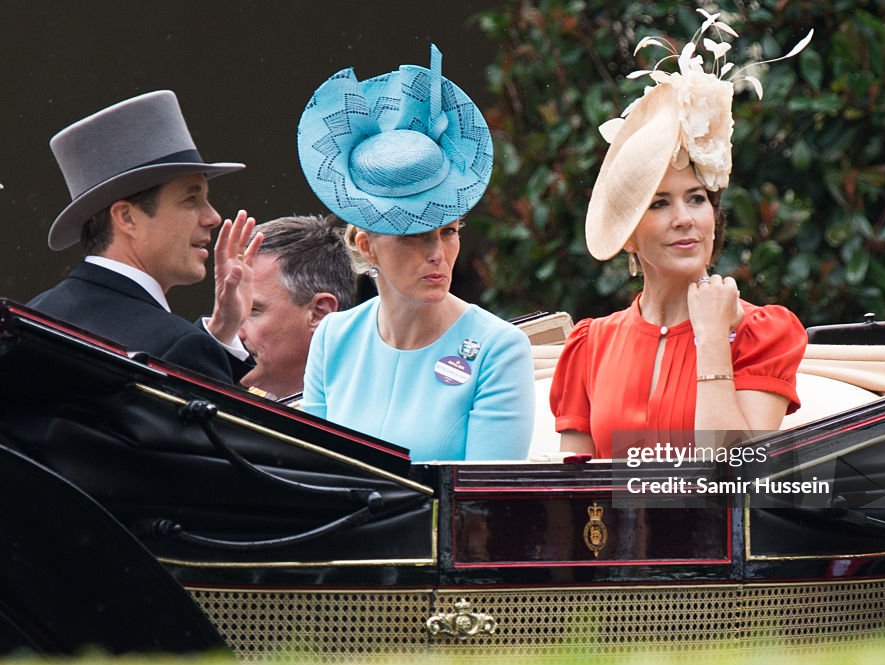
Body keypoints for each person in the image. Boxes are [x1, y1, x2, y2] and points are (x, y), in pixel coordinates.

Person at [550, 18, 812, 458]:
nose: (684, 219)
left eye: (695, 199)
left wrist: (712, 340)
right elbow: (575, 501)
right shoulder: (589, 346)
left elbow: (735, 477)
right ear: (628, 236)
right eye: (658, 204)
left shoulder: (760, 334)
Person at [298, 45, 535, 462]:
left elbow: (481, 511)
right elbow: (315, 477)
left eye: (448, 231)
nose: (437, 253)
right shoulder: (333, 339)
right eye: (412, 235)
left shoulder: (498, 349)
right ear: (366, 246)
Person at [28, 90, 261, 385]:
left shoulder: (32, 315)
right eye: (191, 199)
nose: (212, 217)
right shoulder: (178, 347)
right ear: (126, 217)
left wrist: (222, 332)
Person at [239, 214, 356, 400]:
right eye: (229, 309)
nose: (235, 333)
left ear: (319, 313)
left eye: (252, 310)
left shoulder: (367, 412)